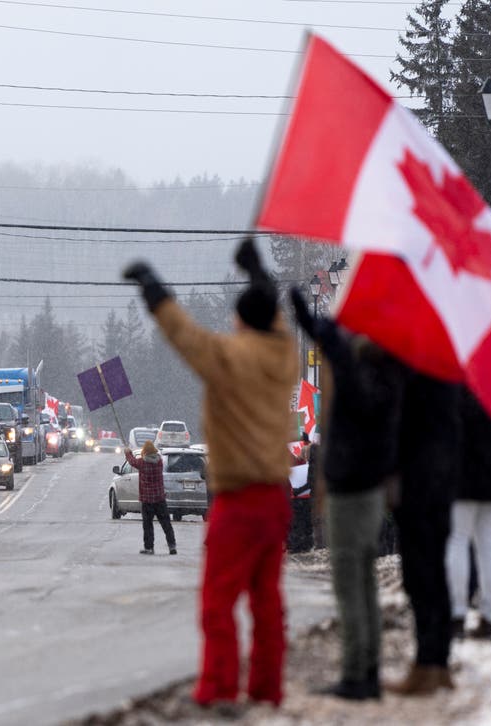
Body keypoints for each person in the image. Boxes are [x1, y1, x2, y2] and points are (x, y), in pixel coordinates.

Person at [123, 236, 297, 709]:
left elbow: (185, 335)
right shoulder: (283, 356)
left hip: (237, 499)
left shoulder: (228, 359)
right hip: (274, 499)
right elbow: (271, 319)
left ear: (241, 320)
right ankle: (267, 688)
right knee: (266, 600)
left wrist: (155, 292)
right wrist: (260, 274)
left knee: (218, 601)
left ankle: (220, 687)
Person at [291, 290, 407, 700]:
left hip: (349, 491)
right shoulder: (392, 377)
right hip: (372, 489)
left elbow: (333, 345)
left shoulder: (358, 377)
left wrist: (304, 312)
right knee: (364, 583)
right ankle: (369, 666)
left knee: (349, 584)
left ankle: (357, 672)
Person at [388, 372, 462, 695]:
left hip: (419, 489)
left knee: (421, 579)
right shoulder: (452, 379)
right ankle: (437, 662)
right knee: (434, 577)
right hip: (441, 487)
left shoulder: (414, 380)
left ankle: (427, 662)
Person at [445, 392, 491, 641]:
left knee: (457, 540)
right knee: (489, 546)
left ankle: (456, 612)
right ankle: (490, 616)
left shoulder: (459, 392)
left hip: (461, 478)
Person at [124, 440, 176, 555]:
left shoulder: (142, 463)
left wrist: (128, 453)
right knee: (166, 524)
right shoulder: (159, 462)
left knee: (148, 525)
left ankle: (149, 548)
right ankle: (172, 546)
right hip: (160, 499)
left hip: (147, 500)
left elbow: (132, 461)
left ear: (144, 452)